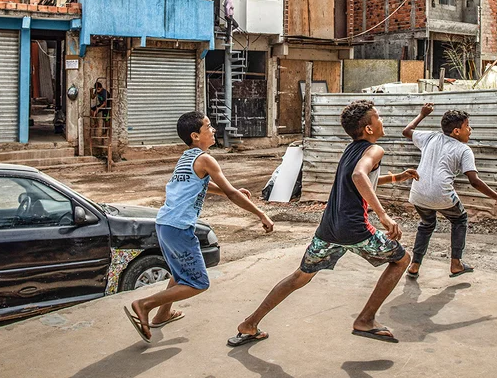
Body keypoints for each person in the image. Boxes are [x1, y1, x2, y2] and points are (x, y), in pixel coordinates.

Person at [228, 100, 419, 347]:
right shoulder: (375, 150)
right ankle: (365, 319)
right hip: (355, 229)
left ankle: (250, 323)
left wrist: (397, 177)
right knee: (402, 259)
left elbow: (359, 180)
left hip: (328, 229)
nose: (382, 120)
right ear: (369, 129)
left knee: (300, 276)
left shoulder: (351, 150)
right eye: (378, 117)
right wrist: (383, 215)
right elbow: (359, 176)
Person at [124, 111, 274, 344]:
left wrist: (229, 190)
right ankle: (144, 305)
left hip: (165, 223)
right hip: (179, 228)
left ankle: (163, 315)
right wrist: (261, 213)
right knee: (197, 283)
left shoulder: (188, 157)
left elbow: (204, 184)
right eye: (208, 126)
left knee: (178, 272)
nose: (213, 129)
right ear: (195, 135)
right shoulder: (206, 159)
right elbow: (232, 193)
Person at [402, 104, 497, 279]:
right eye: (467, 126)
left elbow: (407, 131)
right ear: (456, 131)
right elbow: (475, 181)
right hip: (441, 194)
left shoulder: (431, 137)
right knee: (460, 219)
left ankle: (414, 265)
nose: (470, 130)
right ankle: (456, 264)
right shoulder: (464, 150)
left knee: (426, 225)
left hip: (418, 193)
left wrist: (422, 114)